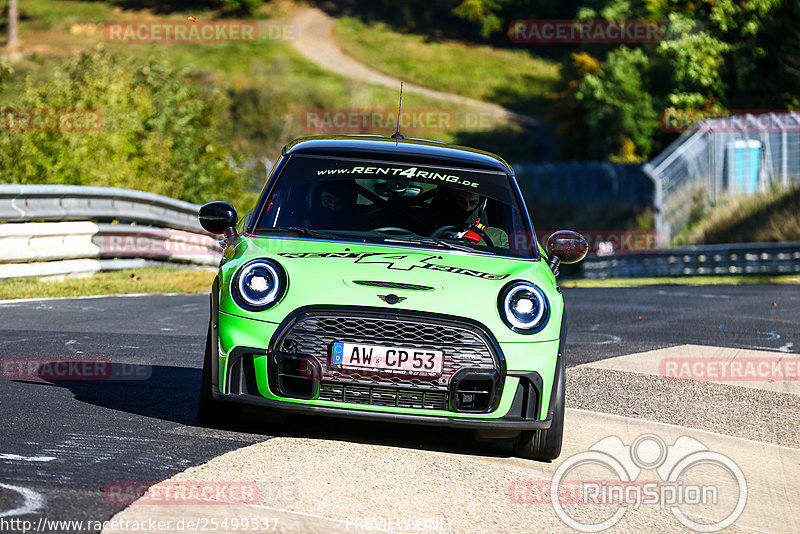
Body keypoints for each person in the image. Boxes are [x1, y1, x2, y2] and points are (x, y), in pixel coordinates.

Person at [429, 186, 509, 248]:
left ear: (480, 207)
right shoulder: (425, 228)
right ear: (449, 201)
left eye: (473, 203)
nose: (467, 208)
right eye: (461, 201)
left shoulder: (495, 236)